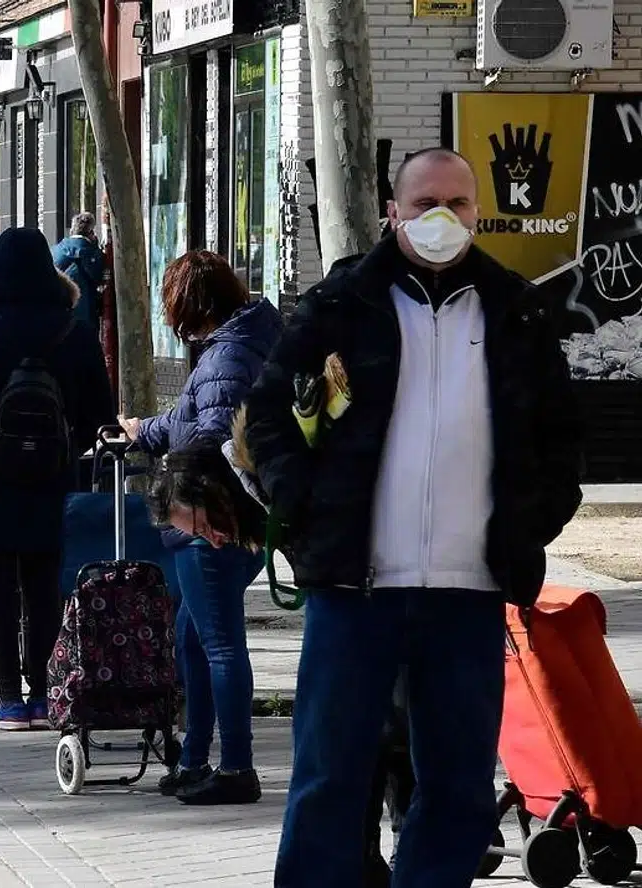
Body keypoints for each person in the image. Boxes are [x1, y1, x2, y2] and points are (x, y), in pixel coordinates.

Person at [247, 148, 582, 887]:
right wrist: (300, 505)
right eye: (424, 202)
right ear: (392, 213)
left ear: (477, 215)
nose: (441, 218)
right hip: (353, 589)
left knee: (460, 788)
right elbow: (268, 414)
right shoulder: (341, 307)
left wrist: (528, 526)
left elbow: (562, 441)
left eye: (457, 205)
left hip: (470, 591)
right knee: (329, 779)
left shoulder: (516, 310)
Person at [0, 226, 113, 730]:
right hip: (51, 478)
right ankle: (47, 695)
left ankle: (9, 700)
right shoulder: (71, 330)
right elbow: (101, 409)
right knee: (43, 588)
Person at [117, 250, 282, 805]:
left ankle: (236, 765)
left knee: (218, 646)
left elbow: (209, 434)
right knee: (192, 637)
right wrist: (147, 429)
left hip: (211, 520)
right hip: (233, 519)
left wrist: (170, 467)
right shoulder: (245, 344)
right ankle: (194, 757)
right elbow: (197, 419)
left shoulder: (227, 356)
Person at [53, 212, 105, 329]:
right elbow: (99, 276)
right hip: (85, 312)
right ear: (91, 232)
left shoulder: (55, 250)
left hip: (60, 314)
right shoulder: (91, 252)